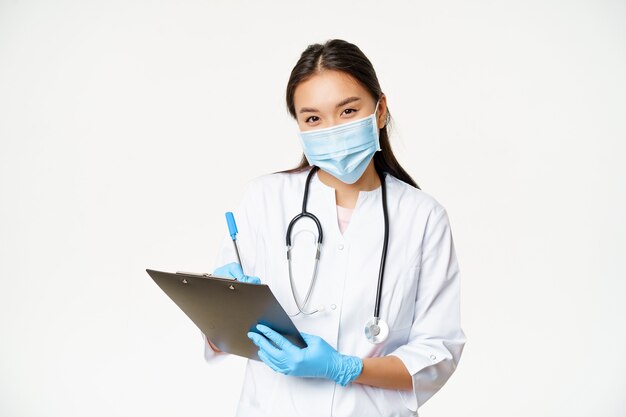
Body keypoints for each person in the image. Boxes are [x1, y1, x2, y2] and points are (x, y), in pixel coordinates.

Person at [201, 39, 466, 417]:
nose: (332, 129)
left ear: (379, 111)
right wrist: (220, 309)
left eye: (347, 111)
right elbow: (219, 340)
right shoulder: (265, 198)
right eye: (313, 118)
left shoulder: (423, 217)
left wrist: (345, 367)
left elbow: (437, 353)